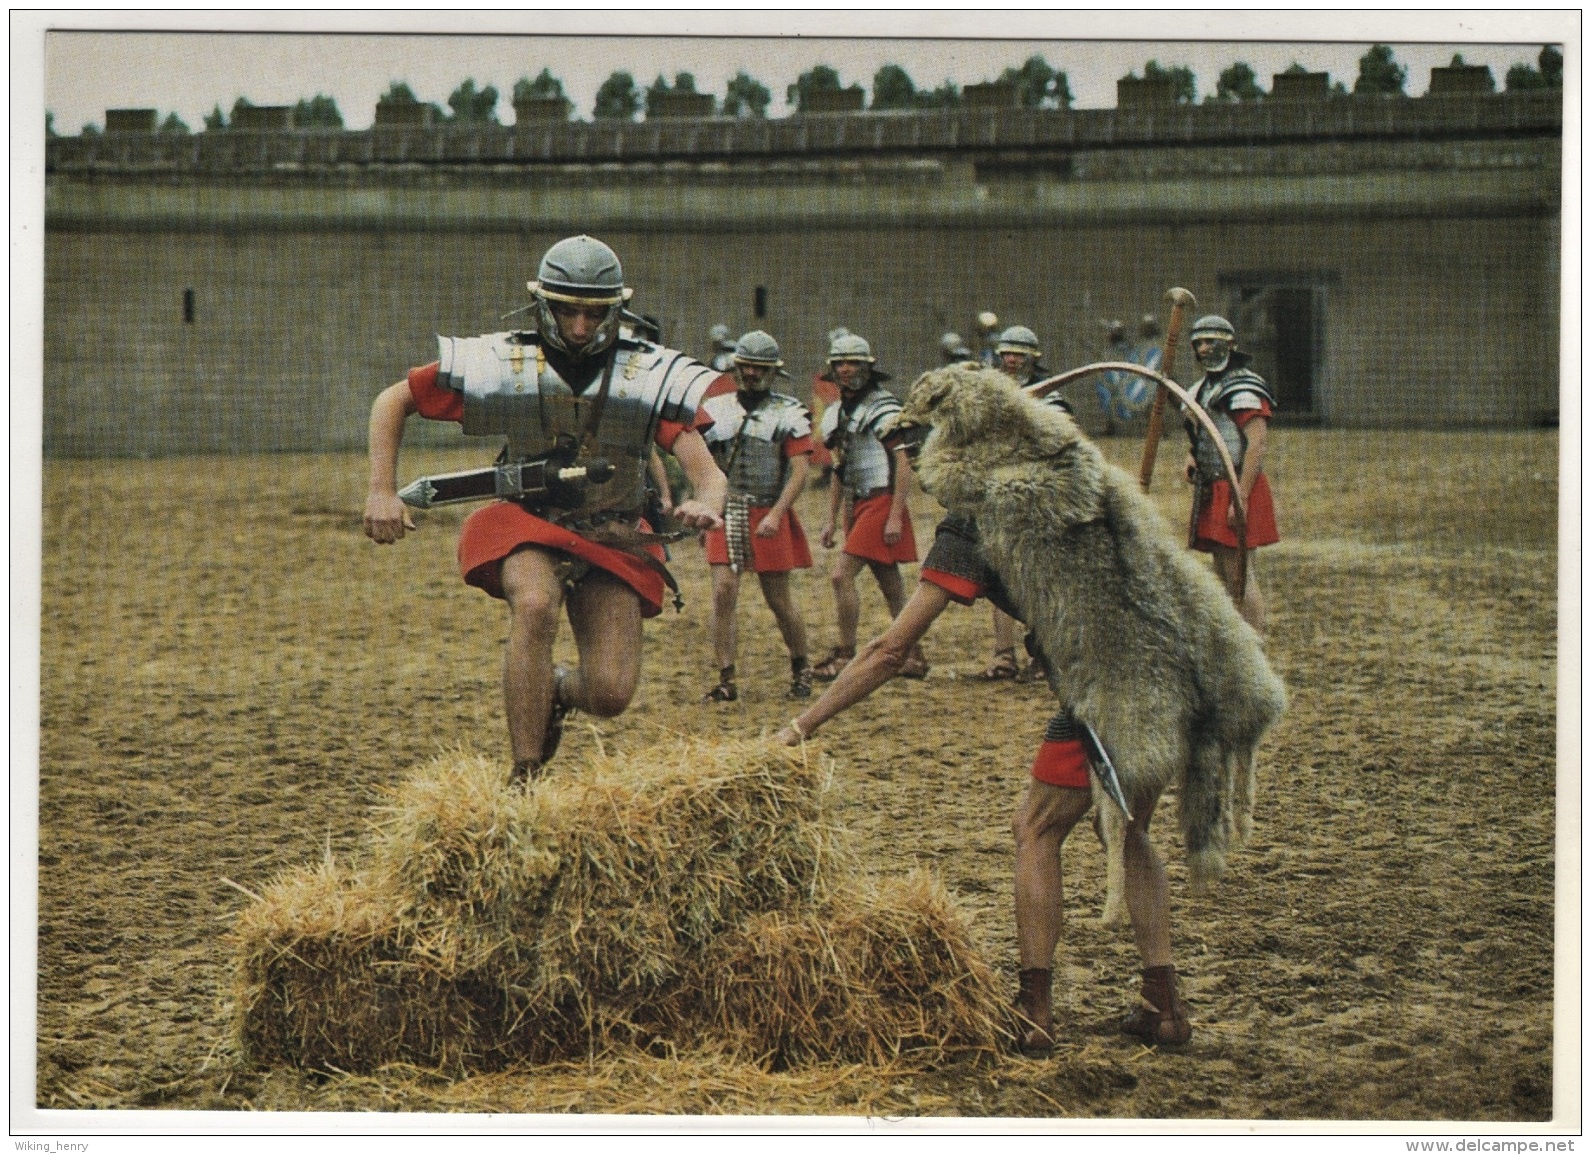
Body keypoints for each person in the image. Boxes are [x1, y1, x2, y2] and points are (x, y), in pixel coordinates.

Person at [775, 511, 1190, 1056]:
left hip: (1109, 686)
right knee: (1130, 830)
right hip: (1173, 674)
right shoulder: (1066, 487)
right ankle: (1164, 1007)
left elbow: (890, 651)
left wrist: (802, 726)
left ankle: (1034, 1012)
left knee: (1036, 829)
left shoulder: (973, 522)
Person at [363, 234, 728, 787]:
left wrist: (706, 503)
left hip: (613, 532)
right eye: (566, 310)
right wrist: (381, 489)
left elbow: (708, 473)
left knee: (609, 693)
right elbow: (394, 400)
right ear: (542, 303)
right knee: (535, 605)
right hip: (529, 522)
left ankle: (555, 688)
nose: (579, 327)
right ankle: (524, 771)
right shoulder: (506, 361)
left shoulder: (649, 376)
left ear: (616, 310)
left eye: (593, 312)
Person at [698, 330, 816, 702]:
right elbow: (704, 463)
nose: (751, 374)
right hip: (727, 509)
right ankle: (726, 677)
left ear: (771, 372)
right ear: (736, 367)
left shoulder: (789, 413)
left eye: (759, 368)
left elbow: (799, 471)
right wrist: (705, 506)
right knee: (723, 592)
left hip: (768, 510)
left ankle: (801, 667)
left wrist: (778, 513)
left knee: (778, 598)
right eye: (746, 367)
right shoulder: (716, 411)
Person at [811, 333, 927, 681]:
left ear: (867, 367)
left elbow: (904, 461)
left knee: (840, 576)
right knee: (890, 584)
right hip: (856, 502)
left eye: (853, 363)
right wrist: (830, 519)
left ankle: (846, 653)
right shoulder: (834, 413)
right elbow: (838, 468)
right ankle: (915, 656)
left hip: (880, 500)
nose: (846, 370)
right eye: (840, 364)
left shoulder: (883, 406)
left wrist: (894, 513)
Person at [1181, 314, 1280, 633]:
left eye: (1212, 341)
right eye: (1199, 343)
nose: (1205, 348)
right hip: (1212, 488)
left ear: (1231, 345)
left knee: (1240, 573)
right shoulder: (1202, 388)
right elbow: (1203, 435)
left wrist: (1241, 496)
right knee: (1222, 571)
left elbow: (1256, 444)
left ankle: (1254, 648)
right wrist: (1192, 455)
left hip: (1237, 486)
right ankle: (1237, 644)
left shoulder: (1243, 386)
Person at [979, 325, 1065, 683]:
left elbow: (1061, 444)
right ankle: (1003, 655)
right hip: (999, 495)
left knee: (1039, 579)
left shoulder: (1051, 398)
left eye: (1018, 354)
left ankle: (1046, 655)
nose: (1011, 360)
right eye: (1006, 354)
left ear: (1032, 358)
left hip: (1038, 497)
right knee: (999, 576)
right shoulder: (990, 396)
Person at [1096, 319, 1135, 435]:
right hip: (1115, 379)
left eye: (1110, 332)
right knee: (1107, 396)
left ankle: (1158, 429)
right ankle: (1110, 427)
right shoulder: (1116, 348)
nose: (1108, 335)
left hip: (1124, 381)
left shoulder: (1124, 349)